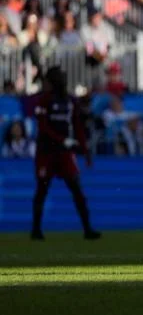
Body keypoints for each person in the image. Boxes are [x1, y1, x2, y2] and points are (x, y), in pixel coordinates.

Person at [31, 66, 100, 241]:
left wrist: (85, 152)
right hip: (46, 152)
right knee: (42, 190)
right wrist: (63, 140)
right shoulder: (44, 101)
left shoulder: (70, 101)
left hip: (64, 154)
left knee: (77, 189)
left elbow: (77, 126)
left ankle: (87, 229)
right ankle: (36, 230)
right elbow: (43, 127)